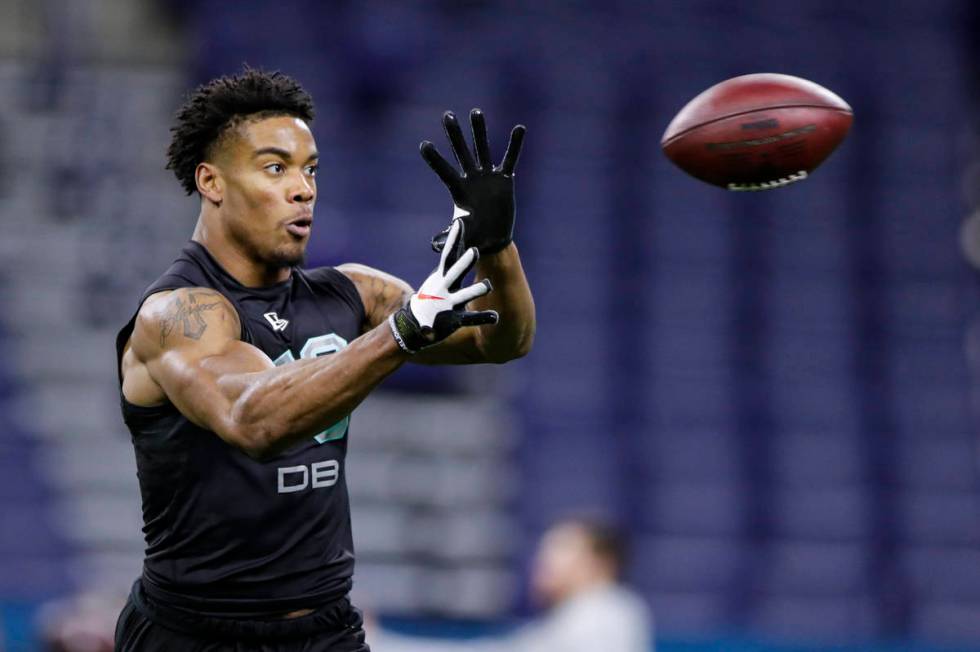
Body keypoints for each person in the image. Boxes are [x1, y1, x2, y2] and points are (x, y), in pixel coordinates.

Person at [112, 68, 534, 651]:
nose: (304, 188)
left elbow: (501, 343)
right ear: (211, 180)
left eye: (310, 169)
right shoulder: (178, 315)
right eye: (275, 167)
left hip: (325, 628)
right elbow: (253, 422)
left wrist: (496, 248)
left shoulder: (351, 292)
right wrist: (400, 335)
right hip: (196, 632)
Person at [370, 517, 653, 652]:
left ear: (599, 562)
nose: (544, 562)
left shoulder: (604, 615)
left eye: (560, 550)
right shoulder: (580, 617)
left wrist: (379, 643)